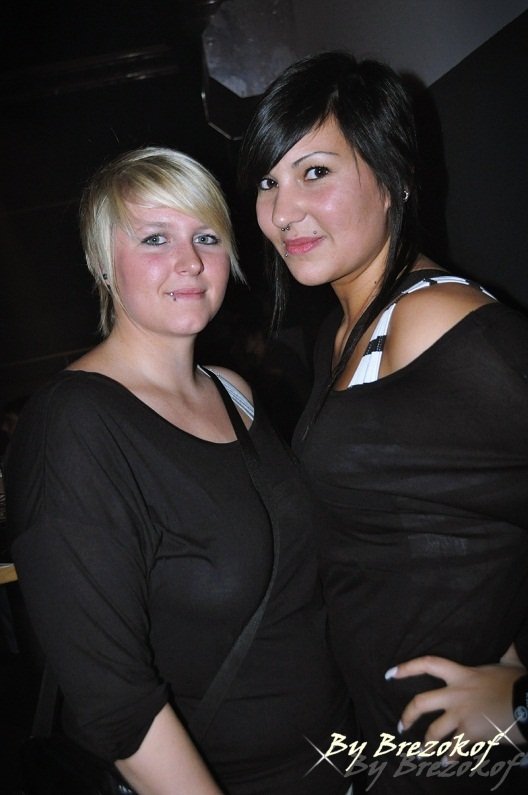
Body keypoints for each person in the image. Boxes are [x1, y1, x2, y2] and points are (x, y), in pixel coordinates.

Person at [5, 147, 353, 795]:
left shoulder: (233, 391)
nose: (190, 261)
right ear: (102, 261)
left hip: (341, 756)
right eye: (155, 238)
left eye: (207, 237)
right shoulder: (73, 425)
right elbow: (118, 711)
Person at [238, 51, 528, 792]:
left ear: (394, 176)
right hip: (385, 737)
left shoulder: (444, 321)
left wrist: (524, 699)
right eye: (269, 181)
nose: (282, 212)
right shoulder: (340, 334)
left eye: (315, 172)